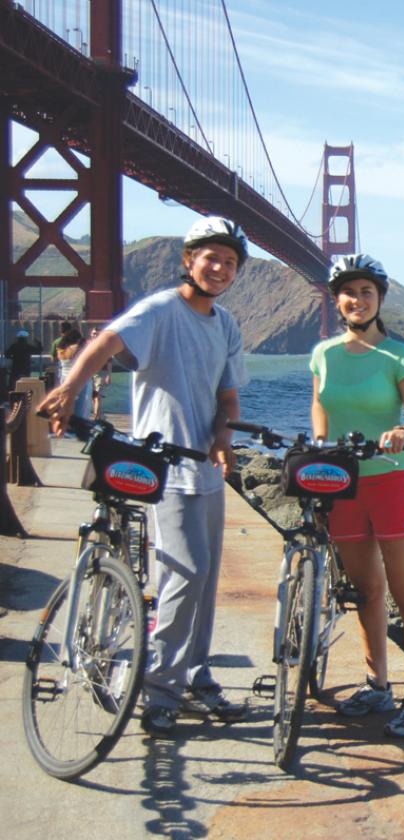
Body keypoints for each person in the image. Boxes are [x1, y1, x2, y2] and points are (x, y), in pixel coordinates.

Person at [38, 215, 250, 738]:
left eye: (229, 262)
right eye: (211, 257)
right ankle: (161, 690)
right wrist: (68, 388)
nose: (220, 268)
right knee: (182, 577)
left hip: (204, 467)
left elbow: (227, 398)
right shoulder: (160, 310)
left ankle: (197, 675)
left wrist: (224, 438)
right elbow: (107, 341)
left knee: (204, 581)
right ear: (188, 260)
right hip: (163, 465)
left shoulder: (225, 324)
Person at [310, 254, 404, 738]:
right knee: (366, 591)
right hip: (341, 483)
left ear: (379, 299)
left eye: (366, 292)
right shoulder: (324, 354)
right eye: (349, 292)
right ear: (337, 299)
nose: (357, 300)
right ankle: (377, 685)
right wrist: (318, 447)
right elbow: (320, 407)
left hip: (391, 481)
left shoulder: (399, 355)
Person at [56, 328, 91, 419]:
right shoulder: (76, 348)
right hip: (78, 378)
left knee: (65, 403)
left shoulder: (60, 349)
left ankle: (65, 422)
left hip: (63, 377)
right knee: (80, 405)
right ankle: (78, 423)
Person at [89, 328, 113, 420]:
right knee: (92, 396)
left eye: (97, 334)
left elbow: (109, 362)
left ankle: (96, 417)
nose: (95, 335)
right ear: (91, 334)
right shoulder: (87, 345)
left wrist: (109, 375)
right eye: (94, 333)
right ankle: (97, 414)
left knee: (98, 396)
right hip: (89, 372)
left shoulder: (105, 346)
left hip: (100, 373)